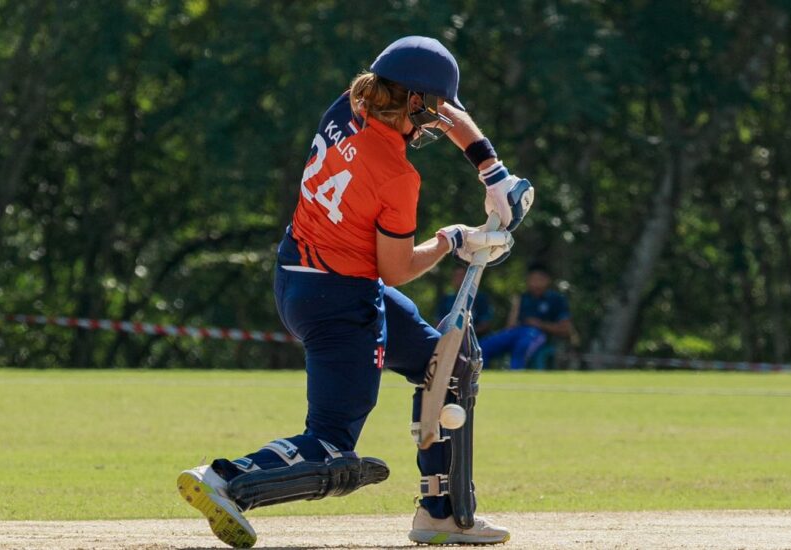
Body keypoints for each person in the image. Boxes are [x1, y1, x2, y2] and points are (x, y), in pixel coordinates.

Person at [177, 36, 533, 548]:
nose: (438, 119)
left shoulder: (350, 103)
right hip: (342, 301)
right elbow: (396, 269)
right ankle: (225, 480)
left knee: (447, 365)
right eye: (431, 109)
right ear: (412, 101)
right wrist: (454, 239)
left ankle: (444, 514)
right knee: (331, 445)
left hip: (302, 276)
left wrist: (490, 168)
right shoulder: (396, 175)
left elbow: (448, 112)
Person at [479, 263, 572, 370]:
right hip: (517, 332)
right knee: (483, 346)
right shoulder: (522, 298)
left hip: (540, 334)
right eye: (532, 279)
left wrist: (539, 324)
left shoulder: (556, 299)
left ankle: (516, 375)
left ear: (547, 280)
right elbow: (510, 326)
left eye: (539, 279)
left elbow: (565, 329)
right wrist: (515, 308)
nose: (535, 283)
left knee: (523, 345)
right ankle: (480, 375)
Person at [435, 265, 494, 335]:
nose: (459, 279)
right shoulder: (446, 300)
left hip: (476, 339)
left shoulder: (480, 299)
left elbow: (485, 323)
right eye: (456, 276)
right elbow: (438, 323)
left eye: (462, 275)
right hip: (448, 338)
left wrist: (464, 335)